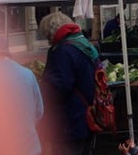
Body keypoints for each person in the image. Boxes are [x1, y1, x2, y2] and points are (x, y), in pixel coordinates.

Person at [37, 12, 98, 154]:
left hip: (69, 123)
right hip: (87, 117)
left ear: (52, 32)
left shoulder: (63, 51)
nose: (48, 41)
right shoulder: (85, 44)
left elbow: (58, 87)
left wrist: (40, 88)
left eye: (47, 36)